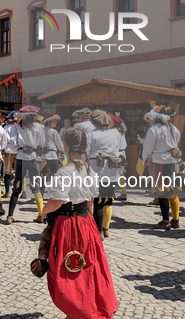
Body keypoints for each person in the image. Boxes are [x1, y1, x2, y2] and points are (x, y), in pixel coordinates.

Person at [38, 127, 118, 319]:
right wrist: (89, 225)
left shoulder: (65, 172)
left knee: (68, 267)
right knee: (87, 267)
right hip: (85, 222)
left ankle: (76, 311)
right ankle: (81, 308)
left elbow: (57, 201)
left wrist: (44, 212)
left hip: (68, 224)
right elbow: (90, 203)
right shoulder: (90, 171)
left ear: (66, 146)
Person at [142, 106, 182, 230]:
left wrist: (145, 160)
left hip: (158, 162)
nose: (150, 120)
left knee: (162, 190)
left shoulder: (153, 129)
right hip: (173, 161)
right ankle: (175, 220)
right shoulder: (174, 129)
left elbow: (148, 147)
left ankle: (165, 220)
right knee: (172, 190)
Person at [87, 110, 124, 238]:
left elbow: (86, 152)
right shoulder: (115, 132)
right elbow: (120, 148)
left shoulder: (91, 134)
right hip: (112, 169)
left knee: (98, 201)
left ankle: (99, 231)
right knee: (108, 200)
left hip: (97, 169)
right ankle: (106, 228)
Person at [6, 110, 45, 224]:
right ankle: (40, 215)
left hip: (22, 156)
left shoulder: (18, 126)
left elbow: (13, 141)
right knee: (36, 186)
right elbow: (42, 142)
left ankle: (10, 215)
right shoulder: (39, 127)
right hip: (34, 158)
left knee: (17, 186)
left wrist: (16, 149)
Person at [41, 114, 64, 197]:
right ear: (49, 122)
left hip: (42, 156)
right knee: (56, 175)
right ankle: (56, 194)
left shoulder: (41, 130)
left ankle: (40, 194)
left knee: (42, 176)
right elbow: (60, 145)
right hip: (52, 155)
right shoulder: (53, 132)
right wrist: (62, 150)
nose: (56, 123)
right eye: (54, 121)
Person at [2, 110, 19, 198]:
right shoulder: (20, 127)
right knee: (18, 171)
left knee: (7, 172)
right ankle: (18, 191)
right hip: (18, 151)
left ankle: (7, 192)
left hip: (8, 150)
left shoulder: (6, 127)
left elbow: (5, 139)